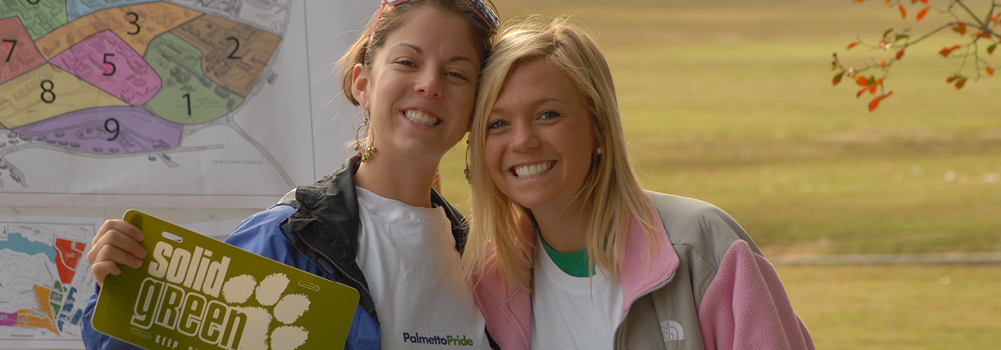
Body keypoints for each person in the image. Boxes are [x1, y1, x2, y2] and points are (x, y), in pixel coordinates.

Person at [82, 1, 500, 349]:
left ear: (474, 110)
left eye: (456, 73)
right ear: (363, 85)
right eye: (408, 61)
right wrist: (121, 283)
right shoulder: (290, 238)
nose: (430, 85)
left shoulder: (484, 263)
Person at [461, 16, 815, 350]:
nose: (522, 141)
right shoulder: (487, 283)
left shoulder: (703, 248)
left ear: (598, 125)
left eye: (548, 114)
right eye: (498, 123)